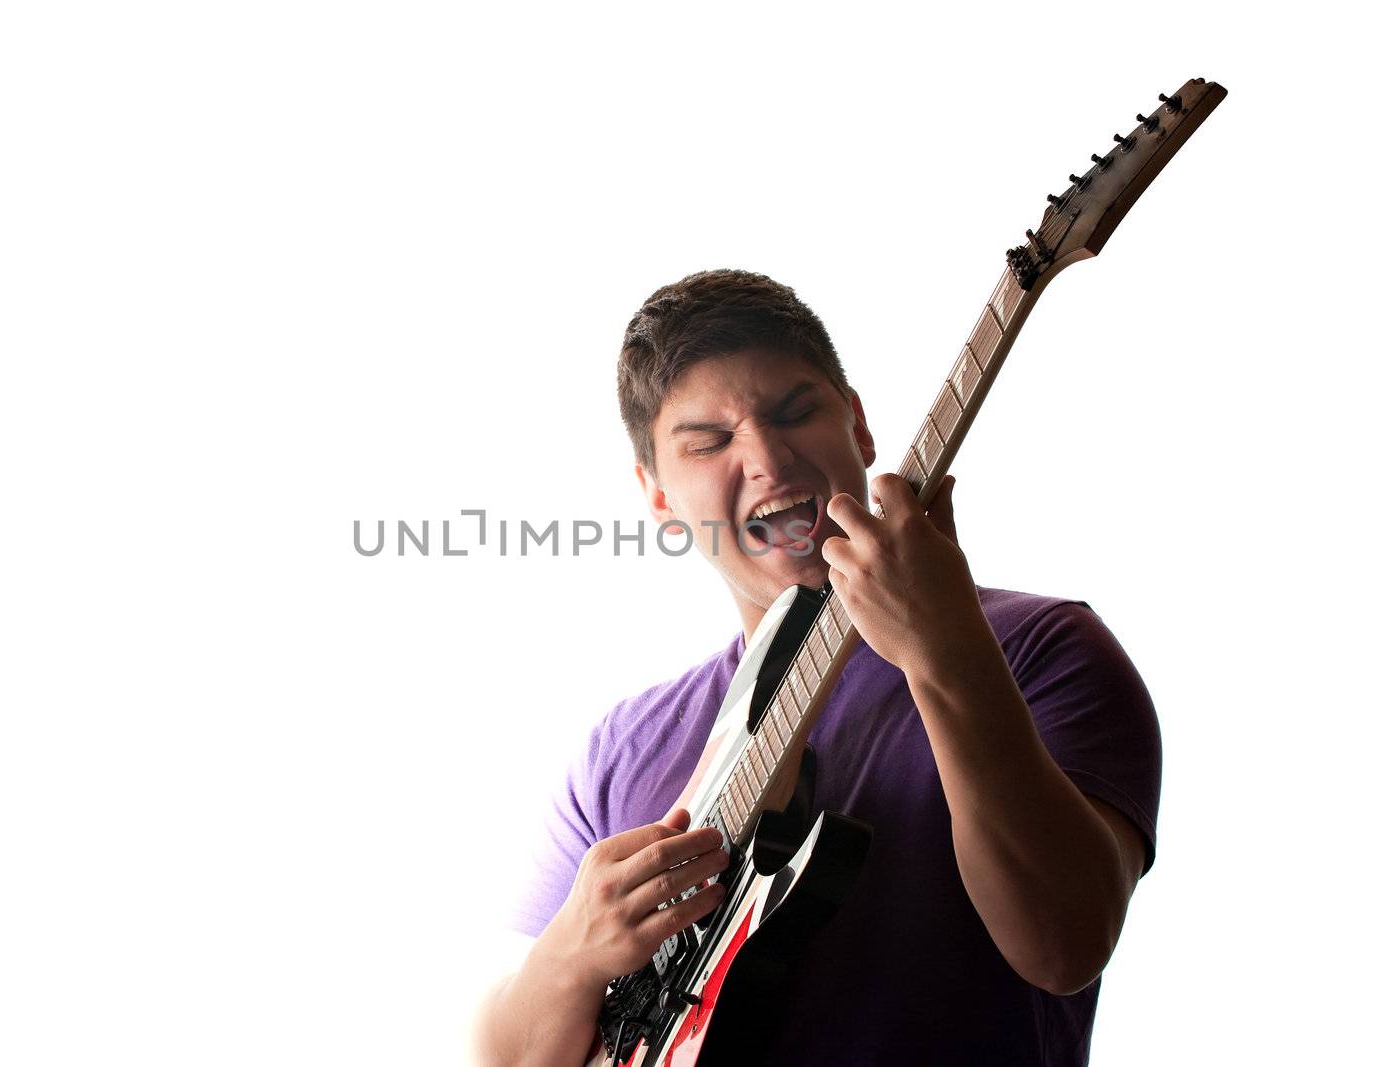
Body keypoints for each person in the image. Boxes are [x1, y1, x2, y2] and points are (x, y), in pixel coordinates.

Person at [472, 269, 1160, 1065]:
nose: (766, 456)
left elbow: (1065, 946)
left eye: (796, 412)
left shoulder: (1043, 647)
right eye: (709, 441)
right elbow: (499, 1052)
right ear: (657, 495)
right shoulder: (620, 747)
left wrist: (946, 652)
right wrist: (571, 953)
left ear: (860, 427)